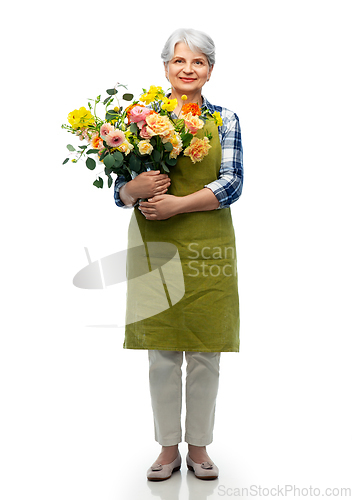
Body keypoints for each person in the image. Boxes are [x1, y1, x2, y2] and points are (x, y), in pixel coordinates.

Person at [114, 28, 243, 481]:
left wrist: (178, 204)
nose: (188, 69)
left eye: (198, 62)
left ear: (210, 70)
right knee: (163, 351)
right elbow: (120, 190)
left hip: (209, 246)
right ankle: (168, 450)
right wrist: (135, 188)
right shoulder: (141, 120)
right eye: (179, 61)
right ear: (166, 67)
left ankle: (200, 448)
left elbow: (232, 184)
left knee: (207, 352)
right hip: (155, 247)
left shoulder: (225, 120)